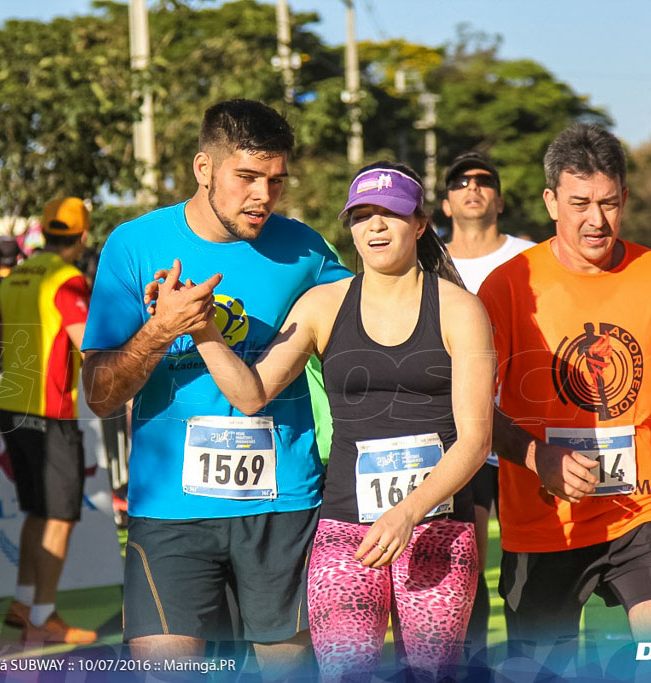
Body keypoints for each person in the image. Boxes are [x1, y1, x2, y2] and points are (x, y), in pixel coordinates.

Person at [178, 161, 494, 681]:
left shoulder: (461, 310)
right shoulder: (323, 305)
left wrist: (408, 512)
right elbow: (252, 393)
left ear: (418, 224)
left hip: (437, 528)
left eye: (390, 213)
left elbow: (475, 439)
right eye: (362, 215)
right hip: (347, 533)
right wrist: (205, 330)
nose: (375, 226)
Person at [80, 99, 350, 676]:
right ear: (204, 169)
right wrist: (160, 330)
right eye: (246, 177)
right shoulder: (134, 245)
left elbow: (368, 343)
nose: (262, 196)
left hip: (285, 504)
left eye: (275, 181)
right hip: (170, 511)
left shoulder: (308, 252)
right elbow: (100, 396)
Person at [478, 124, 651, 667]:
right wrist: (535, 455)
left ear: (625, 199)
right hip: (543, 518)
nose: (597, 220)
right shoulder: (508, 285)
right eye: (580, 204)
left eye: (610, 203)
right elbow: (473, 405)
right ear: (550, 202)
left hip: (642, 508)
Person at [441, 151, 534, 666]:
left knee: (529, 561)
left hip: (523, 429)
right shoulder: (428, 258)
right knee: (466, 560)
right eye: (461, 181)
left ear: (498, 198)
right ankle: (472, 667)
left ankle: (531, 664)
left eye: (484, 181)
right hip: (460, 433)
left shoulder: (530, 258)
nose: (472, 188)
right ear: (446, 200)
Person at [0, 197, 96, 644]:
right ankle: (43, 615)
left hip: (13, 402)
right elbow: (88, 343)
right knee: (58, 516)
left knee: (38, 510)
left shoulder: (15, 273)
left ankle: (23, 604)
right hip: (50, 408)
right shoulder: (68, 280)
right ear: (83, 235)